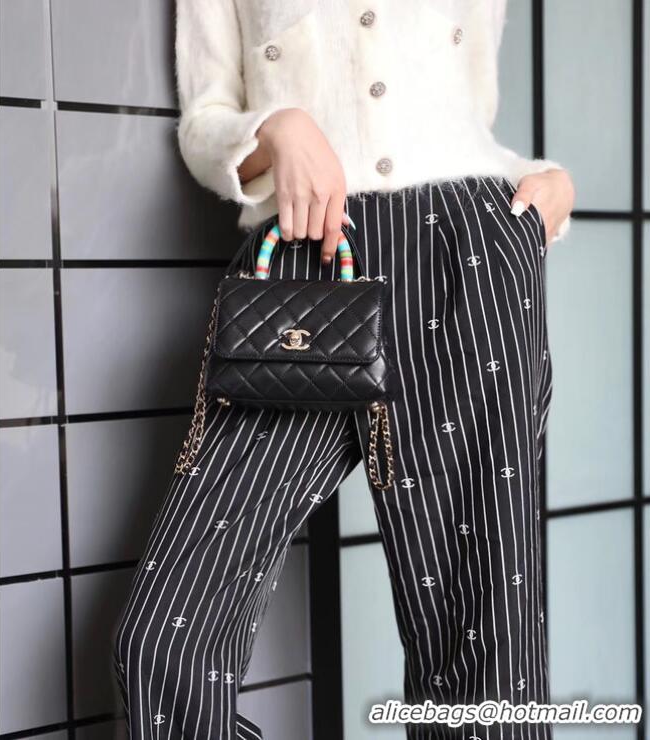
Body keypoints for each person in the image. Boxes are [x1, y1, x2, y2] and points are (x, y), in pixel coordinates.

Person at [112, 2, 575, 738]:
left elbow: (465, 120)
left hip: (466, 260)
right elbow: (205, 122)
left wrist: (543, 180)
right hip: (302, 271)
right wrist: (277, 128)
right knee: (165, 641)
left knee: (484, 645)